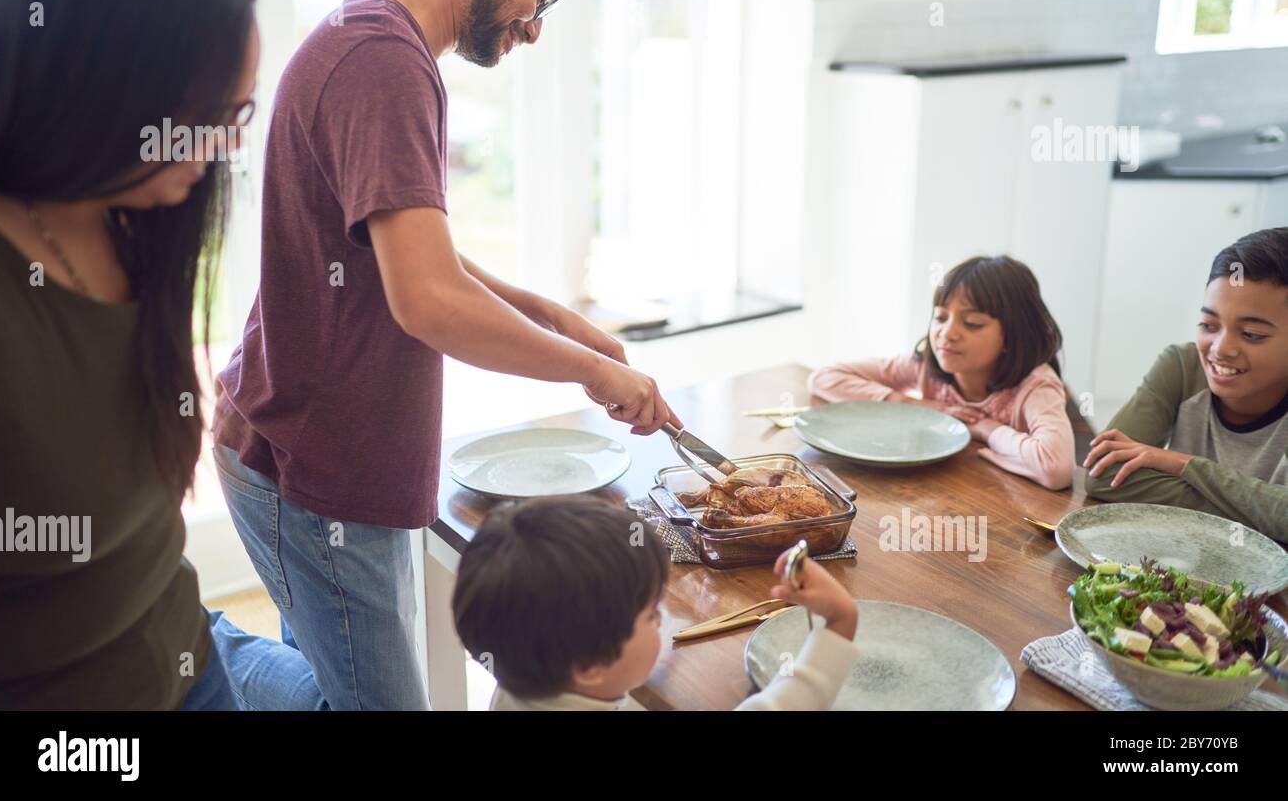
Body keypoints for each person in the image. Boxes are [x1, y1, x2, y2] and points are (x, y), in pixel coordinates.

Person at [210, 0, 679, 710]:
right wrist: (596, 372)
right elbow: (425, 301)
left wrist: (558, 321)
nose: (537, 24)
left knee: (333, 680)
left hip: (305, 449)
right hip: (309, 468)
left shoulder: (375, 42)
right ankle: (206, 648)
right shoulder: (384, 63)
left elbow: (423, 258)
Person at [0, 0, 317, 709]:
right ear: (98, 87)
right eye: (211, 116)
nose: (225, 149)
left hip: (183, 654)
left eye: (239, 113)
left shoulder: (141, 224)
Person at [452, 496, 859, 710]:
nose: (663, 617)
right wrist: (840, 622)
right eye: (649, 614)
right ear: (590, 666)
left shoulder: (519, 682)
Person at [1083, 229, 1288, 541]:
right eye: (1209, 325)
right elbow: (1105, 474)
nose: (1220, 348)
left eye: (1251, 334)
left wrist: (1186, 465)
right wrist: (1261, 512)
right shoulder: (1182, 366)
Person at [808, 255, 1074, 490]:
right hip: (939, 494)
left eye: (972, 323)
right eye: (940, 317)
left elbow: (1056, 470)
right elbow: (824, 378)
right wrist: (918, 405)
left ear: (1012, 335)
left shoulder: (1036, 386)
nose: (947, 334)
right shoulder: (927, 366)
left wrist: (986, 428)